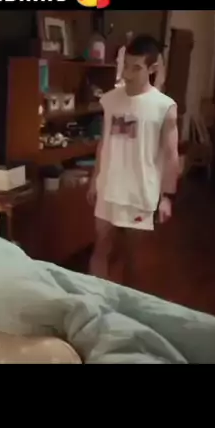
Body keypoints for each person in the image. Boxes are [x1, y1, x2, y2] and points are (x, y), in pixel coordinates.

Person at [87, 34, 179, 288]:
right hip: (109, 187)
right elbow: (104, 143)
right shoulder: (110, 100)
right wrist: (95, 180)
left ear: (152, 68)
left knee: (133, 258)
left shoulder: (164, 107)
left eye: (136, 68)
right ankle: (95, 299)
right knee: (101, 248)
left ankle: (128, 305)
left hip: (141, 192)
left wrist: (167, 196)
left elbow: (171, 155)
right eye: (125, 65)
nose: (127, 73)